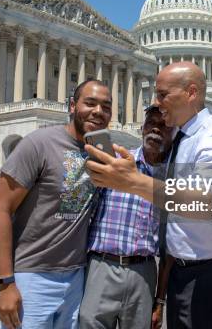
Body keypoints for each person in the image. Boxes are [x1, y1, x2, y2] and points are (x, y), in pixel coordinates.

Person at [85, 62, 212, 329]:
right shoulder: (182, 139)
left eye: (162, 94)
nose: (157, 102)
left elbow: (206, 203)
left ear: (191, 93)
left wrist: (134, 182)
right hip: (188, 271)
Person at [0, 80, 112, 329]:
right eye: (90, 103)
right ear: (72, 105)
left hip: (76, 277)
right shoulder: (38, 144)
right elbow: (0, 209)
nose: (98, 111)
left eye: (106, 106)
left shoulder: (101, 154)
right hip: (32, 277)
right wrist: (5, 282)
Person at [79, 105, 174, 329]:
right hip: (103, 264)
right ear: (142, 128)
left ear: (172, 134)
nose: (156, 130)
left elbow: (170, 247)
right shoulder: (116, 162)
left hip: (144, 271)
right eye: (151, 123)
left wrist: (160, 300)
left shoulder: (173, 178)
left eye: (163, 126)